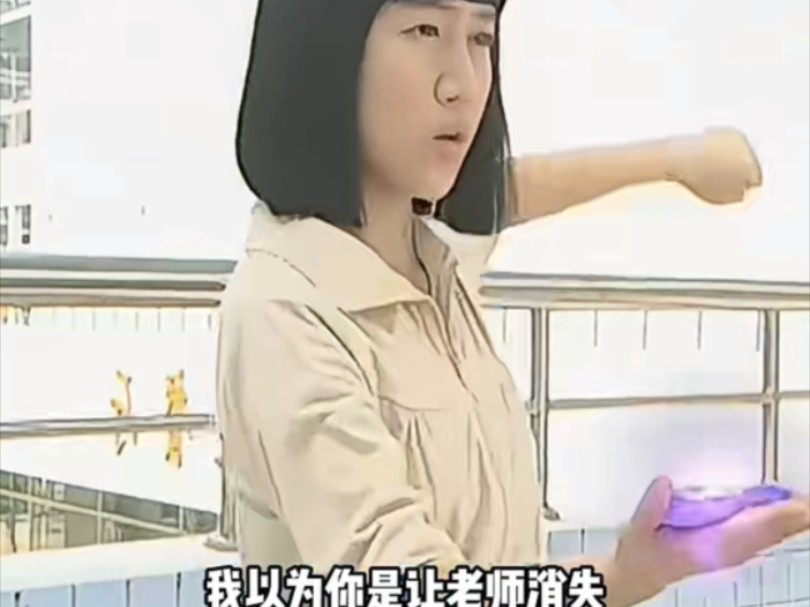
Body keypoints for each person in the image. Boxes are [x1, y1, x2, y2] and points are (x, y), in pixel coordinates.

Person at [215, 0, 810, 605]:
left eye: (480, 38)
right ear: (323, 46)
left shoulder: (433, 263)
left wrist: (675, 161)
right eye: (424, 29)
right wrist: (621, 576)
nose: (462, 84)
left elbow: (500, 194)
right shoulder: (283, 312)